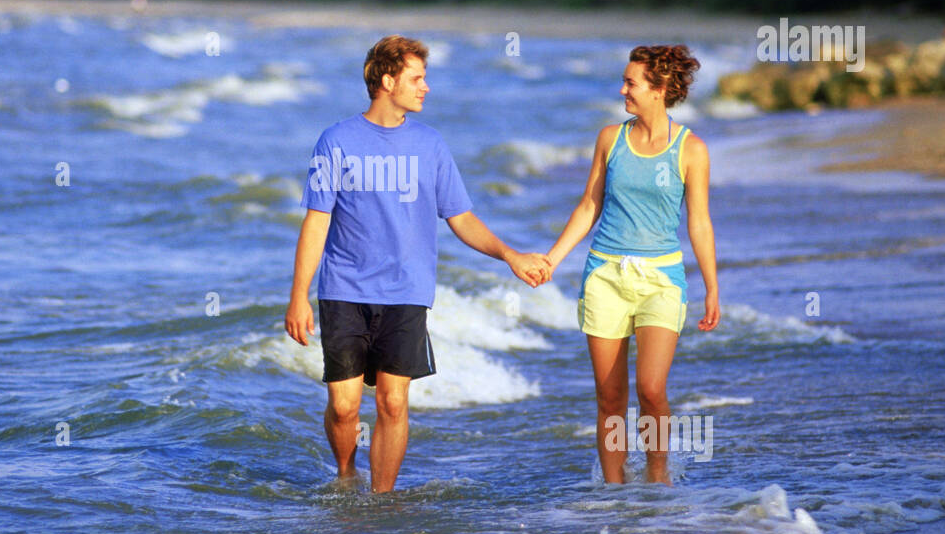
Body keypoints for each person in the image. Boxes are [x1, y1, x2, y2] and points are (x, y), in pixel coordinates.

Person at [285, 35, 551, 493]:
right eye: (417, 78)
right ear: (388, 81)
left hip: (407, 291)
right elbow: (316, 223)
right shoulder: (336, 141)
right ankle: (346, 476)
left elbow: (461, 218)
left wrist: (510, 255)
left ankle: (381, 498)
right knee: (345, 406)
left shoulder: (431, 145)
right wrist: (297, 297)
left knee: (392, 403)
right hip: (344, 290)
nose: (425, 87)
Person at [539, 45, 720, 485]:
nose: (622, 89)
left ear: (659, 90)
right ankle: (614, 491)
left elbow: (699, 224)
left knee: (651, 389)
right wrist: (551, 261)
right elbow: (588, 206)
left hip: (662, 280)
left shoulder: (691, 149)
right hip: (604, 275)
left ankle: (658, 478)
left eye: (630, 83)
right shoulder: (609, 139)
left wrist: (713, 288)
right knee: (610, 396)